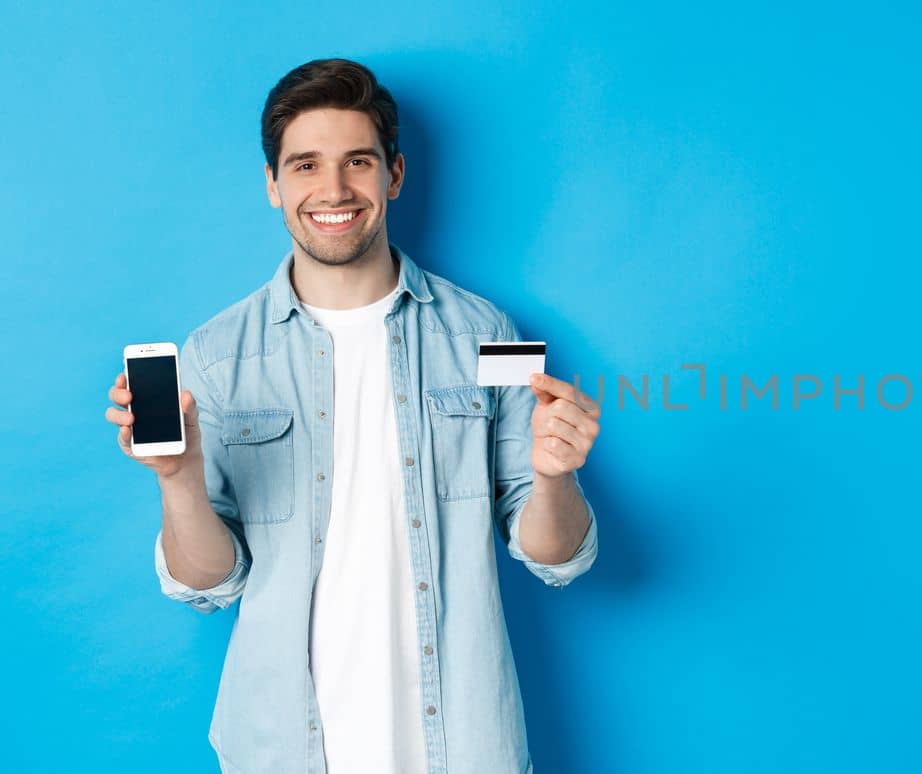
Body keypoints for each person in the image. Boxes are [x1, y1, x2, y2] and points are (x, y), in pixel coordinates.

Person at [102, 58, 602, 773]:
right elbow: (207, 585)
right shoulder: (214, 354)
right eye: (305, 165)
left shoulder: (491, 334)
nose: (332, 190)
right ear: (273, 185)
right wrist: (177, 479)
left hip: (461, 744)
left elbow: (558, 558)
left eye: (357, 162)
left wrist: (555, 479)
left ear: (393, 176)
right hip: (282, 745)